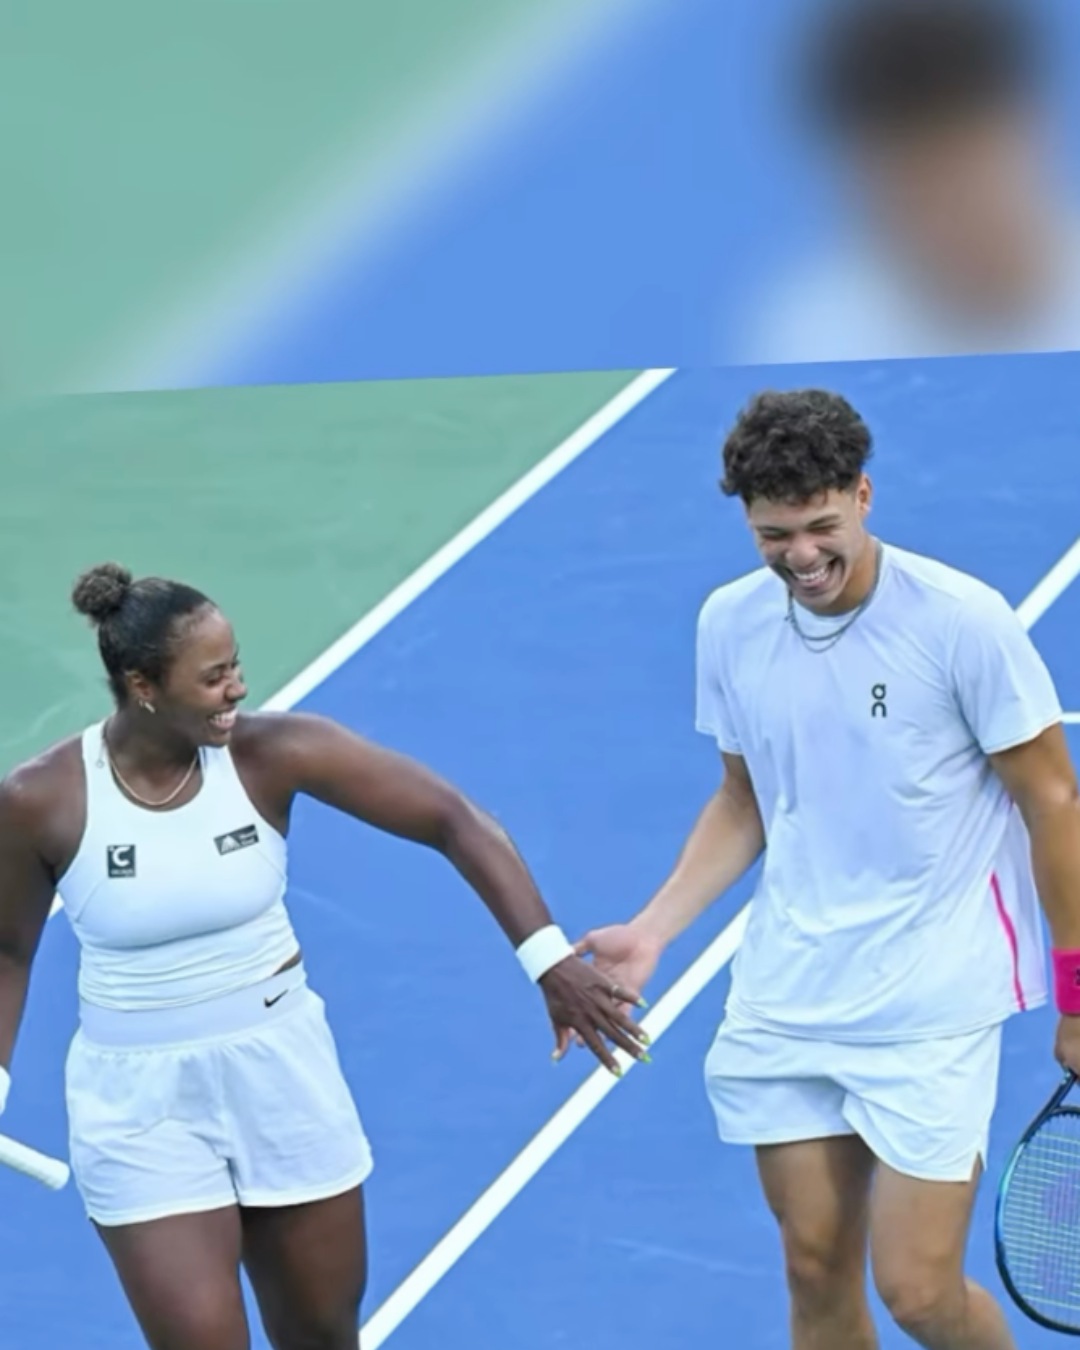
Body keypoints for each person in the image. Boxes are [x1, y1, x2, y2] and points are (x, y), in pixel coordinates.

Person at [0, 562, 648, 1350]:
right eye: (212, 677)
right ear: (143, 684)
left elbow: (453, 818)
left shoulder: (274, 753)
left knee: (319, 1335)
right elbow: (6, 949)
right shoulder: (43, 800)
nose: (237, 687)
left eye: (235, 664)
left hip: (282, 1074)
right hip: (138, 1105)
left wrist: (548, 959)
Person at [577, 388, 1080, 1350]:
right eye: (774, 535)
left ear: (863, 493)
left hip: (932, 1003)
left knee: (921, 1294)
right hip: (790, 993)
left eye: (820, 527)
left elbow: (1055, 803)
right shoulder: (730, 624)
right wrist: (653, 928)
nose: (800, 557)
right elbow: (743, 797)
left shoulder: (960, 622)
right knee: (812, 1269)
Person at [737, 0, 1080, 367]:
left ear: (1031, 128)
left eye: (964, 166)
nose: (948, 214)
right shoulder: (814, 335)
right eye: (915, 187)